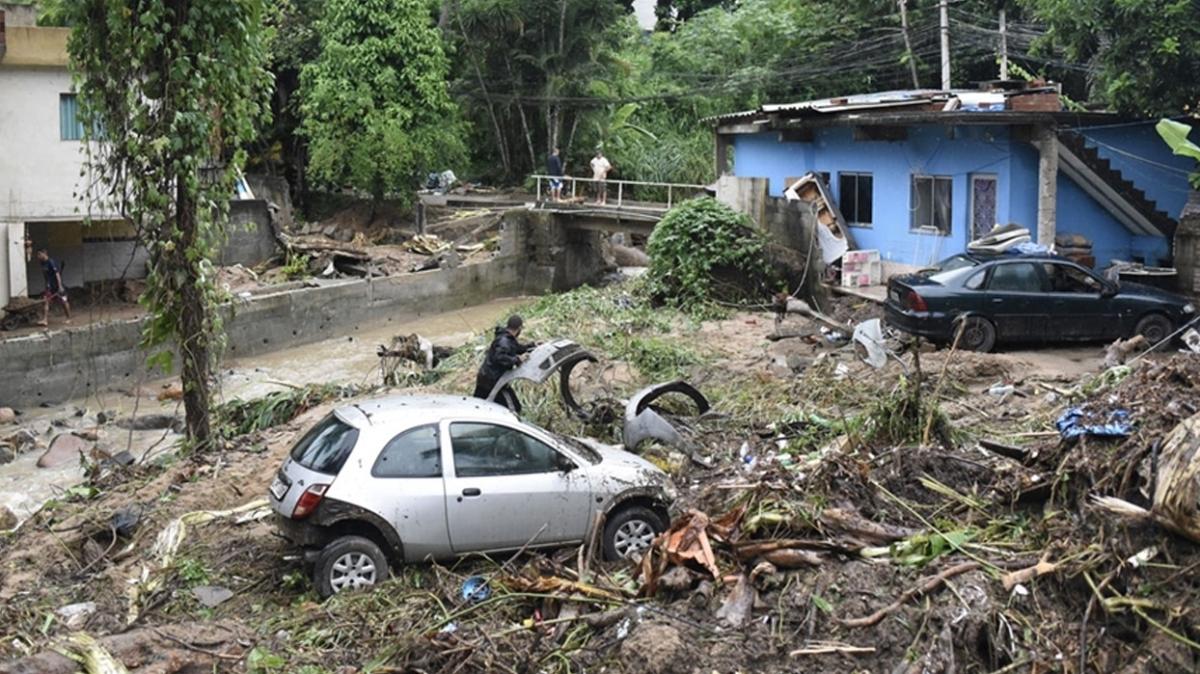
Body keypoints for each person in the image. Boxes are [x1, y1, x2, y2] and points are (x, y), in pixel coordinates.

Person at [473, 315, 536, 412]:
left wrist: (533, 346)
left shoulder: (506, 337)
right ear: (519, 328)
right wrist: (517, 360)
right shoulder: (504, 341)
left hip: (484, 377)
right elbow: (499, 357)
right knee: (514, 408)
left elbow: (518, 348)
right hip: (494, 381)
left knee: (476, 406)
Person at [36, 249, 71, 327]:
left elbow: (57, 274)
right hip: (49, 286)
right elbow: (45, 275)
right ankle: (45, 320)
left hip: (57, 285)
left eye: (39, 254)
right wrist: (46, 285)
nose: (38, 256)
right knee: (46, 301)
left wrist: (60, 286)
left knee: (64, 301)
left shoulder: (51, 262)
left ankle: (68, 318)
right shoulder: (42, 263)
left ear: (44, 254)